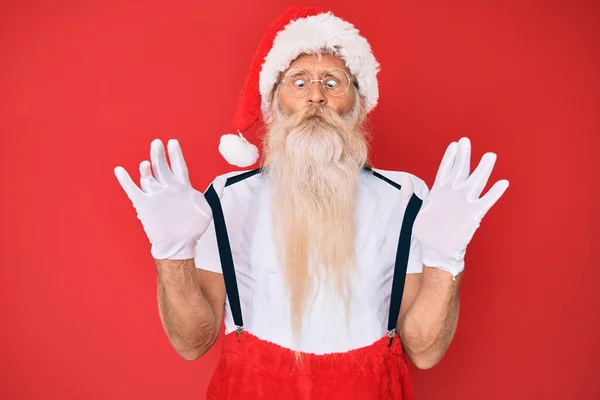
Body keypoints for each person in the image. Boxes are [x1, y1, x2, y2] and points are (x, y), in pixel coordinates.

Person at [114, 5, 509, 399]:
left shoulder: (405, 200)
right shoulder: (226, 199)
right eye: (298, 82)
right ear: (274, 102)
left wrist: (446, 261)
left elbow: (424, 352)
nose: (316, 97)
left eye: (333, 82)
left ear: (356, 104)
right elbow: (192, 343)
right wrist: (172, 253)